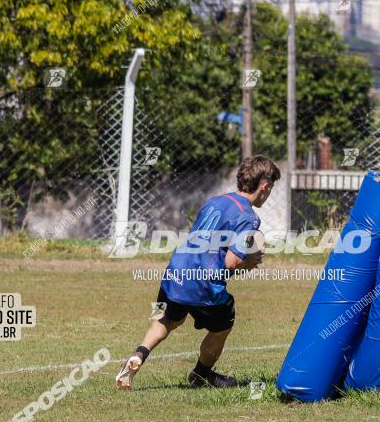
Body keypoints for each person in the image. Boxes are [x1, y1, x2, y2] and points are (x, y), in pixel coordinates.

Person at [115, 155, 280, 390]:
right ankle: (202, 374)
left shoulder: (214, 201)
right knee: (223, 324)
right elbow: (231, 262)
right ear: (265, 186)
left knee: (167, 319)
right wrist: (250, 261)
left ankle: (138, 355)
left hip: (174, 273)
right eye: (271, 188)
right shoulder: (248, 218)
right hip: (203, 284)